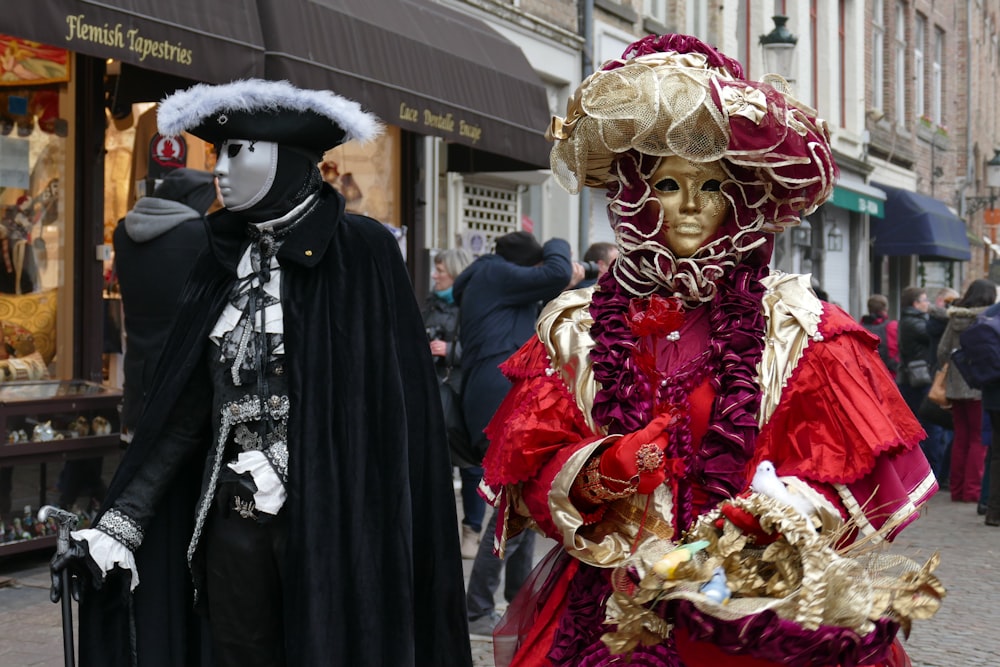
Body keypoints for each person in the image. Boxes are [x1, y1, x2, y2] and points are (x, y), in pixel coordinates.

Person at [480, 34, 938, 666]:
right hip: (614, 610)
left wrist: (773, 522)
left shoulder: (799, 327)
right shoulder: (577, 328)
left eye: (714, 186)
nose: (691, 206)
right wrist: (599, 471)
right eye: (668, 184)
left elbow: (861, 485)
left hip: (754, 618)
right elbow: (526, 474)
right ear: (634, 197)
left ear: (743, 199)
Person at [51, 79, 472, 667]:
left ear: (288, 158)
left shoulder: (363, 252)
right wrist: (120, 522)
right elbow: (183, 413)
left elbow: (393, 416)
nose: (220, 170)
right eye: (215, 154)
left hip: (335, 530)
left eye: (236, 151)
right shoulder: (217, 261)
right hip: (231, 524)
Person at [453, 230, 573, 635]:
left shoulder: (493, 279)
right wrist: (557, 245)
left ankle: (518, 601)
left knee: (525, 500)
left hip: (497, 395)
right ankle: (477, 608)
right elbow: (558, 272)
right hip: (497, 398)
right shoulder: (495, 275)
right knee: (513, 503)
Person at [113, 167, 218, 444]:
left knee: (139, 454)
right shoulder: (200, 234)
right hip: (184, 367)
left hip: (139, 366)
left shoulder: (123, 231)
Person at [421, 247, 479, 557]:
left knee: (470, 464)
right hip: (435, 389)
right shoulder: (430, 304)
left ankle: (472, 530)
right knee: (438, 463)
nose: (434, 275)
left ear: (455, 274)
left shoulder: (472, 305)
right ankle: (442, 531)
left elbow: (483, 348)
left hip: (461, 391)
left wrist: (449, 350)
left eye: (440, 270)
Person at [937, 279, 997, 503]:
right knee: (977, 439)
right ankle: (972, 491)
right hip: (978, 386)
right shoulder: (987, 319)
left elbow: (942, 351)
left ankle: (957, 488)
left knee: (960, 438)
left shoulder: (955, 318)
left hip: (955, 385)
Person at [860, 293, 898, 374]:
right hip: (887, 373)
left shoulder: (860, 327)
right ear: (885, 309)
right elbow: (894, 351)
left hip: (866, 373)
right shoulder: (891, 326)